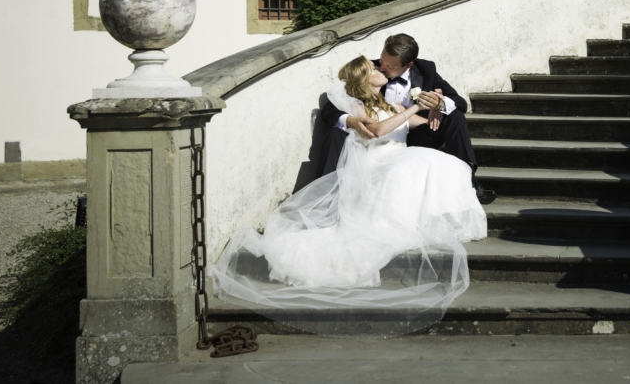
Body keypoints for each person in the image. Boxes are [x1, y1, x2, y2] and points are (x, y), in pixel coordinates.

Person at [208, 55, 488, 336]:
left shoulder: (389, 104)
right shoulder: (358, 106)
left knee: (444, 162)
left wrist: (434, 106)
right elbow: (377, 130)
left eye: (380, 67)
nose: (379, 69)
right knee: (420, 164)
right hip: (377, 163)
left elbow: (416, 124)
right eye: (373, 69)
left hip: (396, 158)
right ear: (365, 80)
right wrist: (412, 106)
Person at [317, 33, 496, 204]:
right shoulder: (367, 70)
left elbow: (460, 102)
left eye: (390, 67)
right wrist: (351, 121)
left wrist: (438, 106)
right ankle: (328, 192)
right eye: (381, 61)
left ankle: (469, 182)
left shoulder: (426, 70)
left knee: (454, 115)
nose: (383, 68)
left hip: (416, 137)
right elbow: (332, 106)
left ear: (408, 65)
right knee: (336, 133)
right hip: (378, 143)